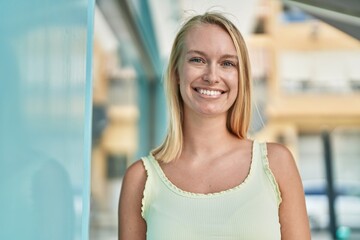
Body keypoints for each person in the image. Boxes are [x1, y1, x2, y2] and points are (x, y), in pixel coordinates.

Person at [118, 12, 311, 240]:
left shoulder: (276, 164)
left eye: (227, 63)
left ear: (241, 78)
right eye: (197, 60)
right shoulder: (140, 180)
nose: (212, 76)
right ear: (177, 73)